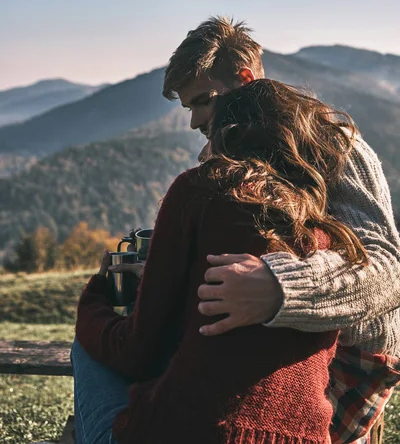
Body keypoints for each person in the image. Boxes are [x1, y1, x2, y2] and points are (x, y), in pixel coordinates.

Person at [72, 78, 369, 444]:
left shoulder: (201, 191)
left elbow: (136, 352)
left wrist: (93, 299)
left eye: (211, 136)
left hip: (191, 433)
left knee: (86, 349)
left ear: (232, 135)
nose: (202, 153)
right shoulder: (332, 235)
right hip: (306, 437)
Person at [162, 16, 400, 444]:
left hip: (352, 354)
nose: (195, 119)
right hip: (277, 338)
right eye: (188, 106)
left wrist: (280, 288)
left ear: (246, 80)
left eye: (203, 100)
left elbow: (387, 270)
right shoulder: (235, 152)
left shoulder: (330, 140)